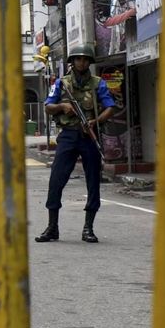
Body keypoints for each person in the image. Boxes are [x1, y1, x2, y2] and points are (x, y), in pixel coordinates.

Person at [35, 44, 117, 244]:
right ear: (72, 62)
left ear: (89, 62)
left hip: (89, 135)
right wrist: (63, 106)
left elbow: (110, 107)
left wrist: (95, 122)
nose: (82, 62)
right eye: (78, 59)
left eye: (85, 59)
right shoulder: (61, 84)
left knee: (93, 181)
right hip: (68, 136)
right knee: (56, 180)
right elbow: (48, 106)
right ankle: (52, 227)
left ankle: (88, 228)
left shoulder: (98, 84)